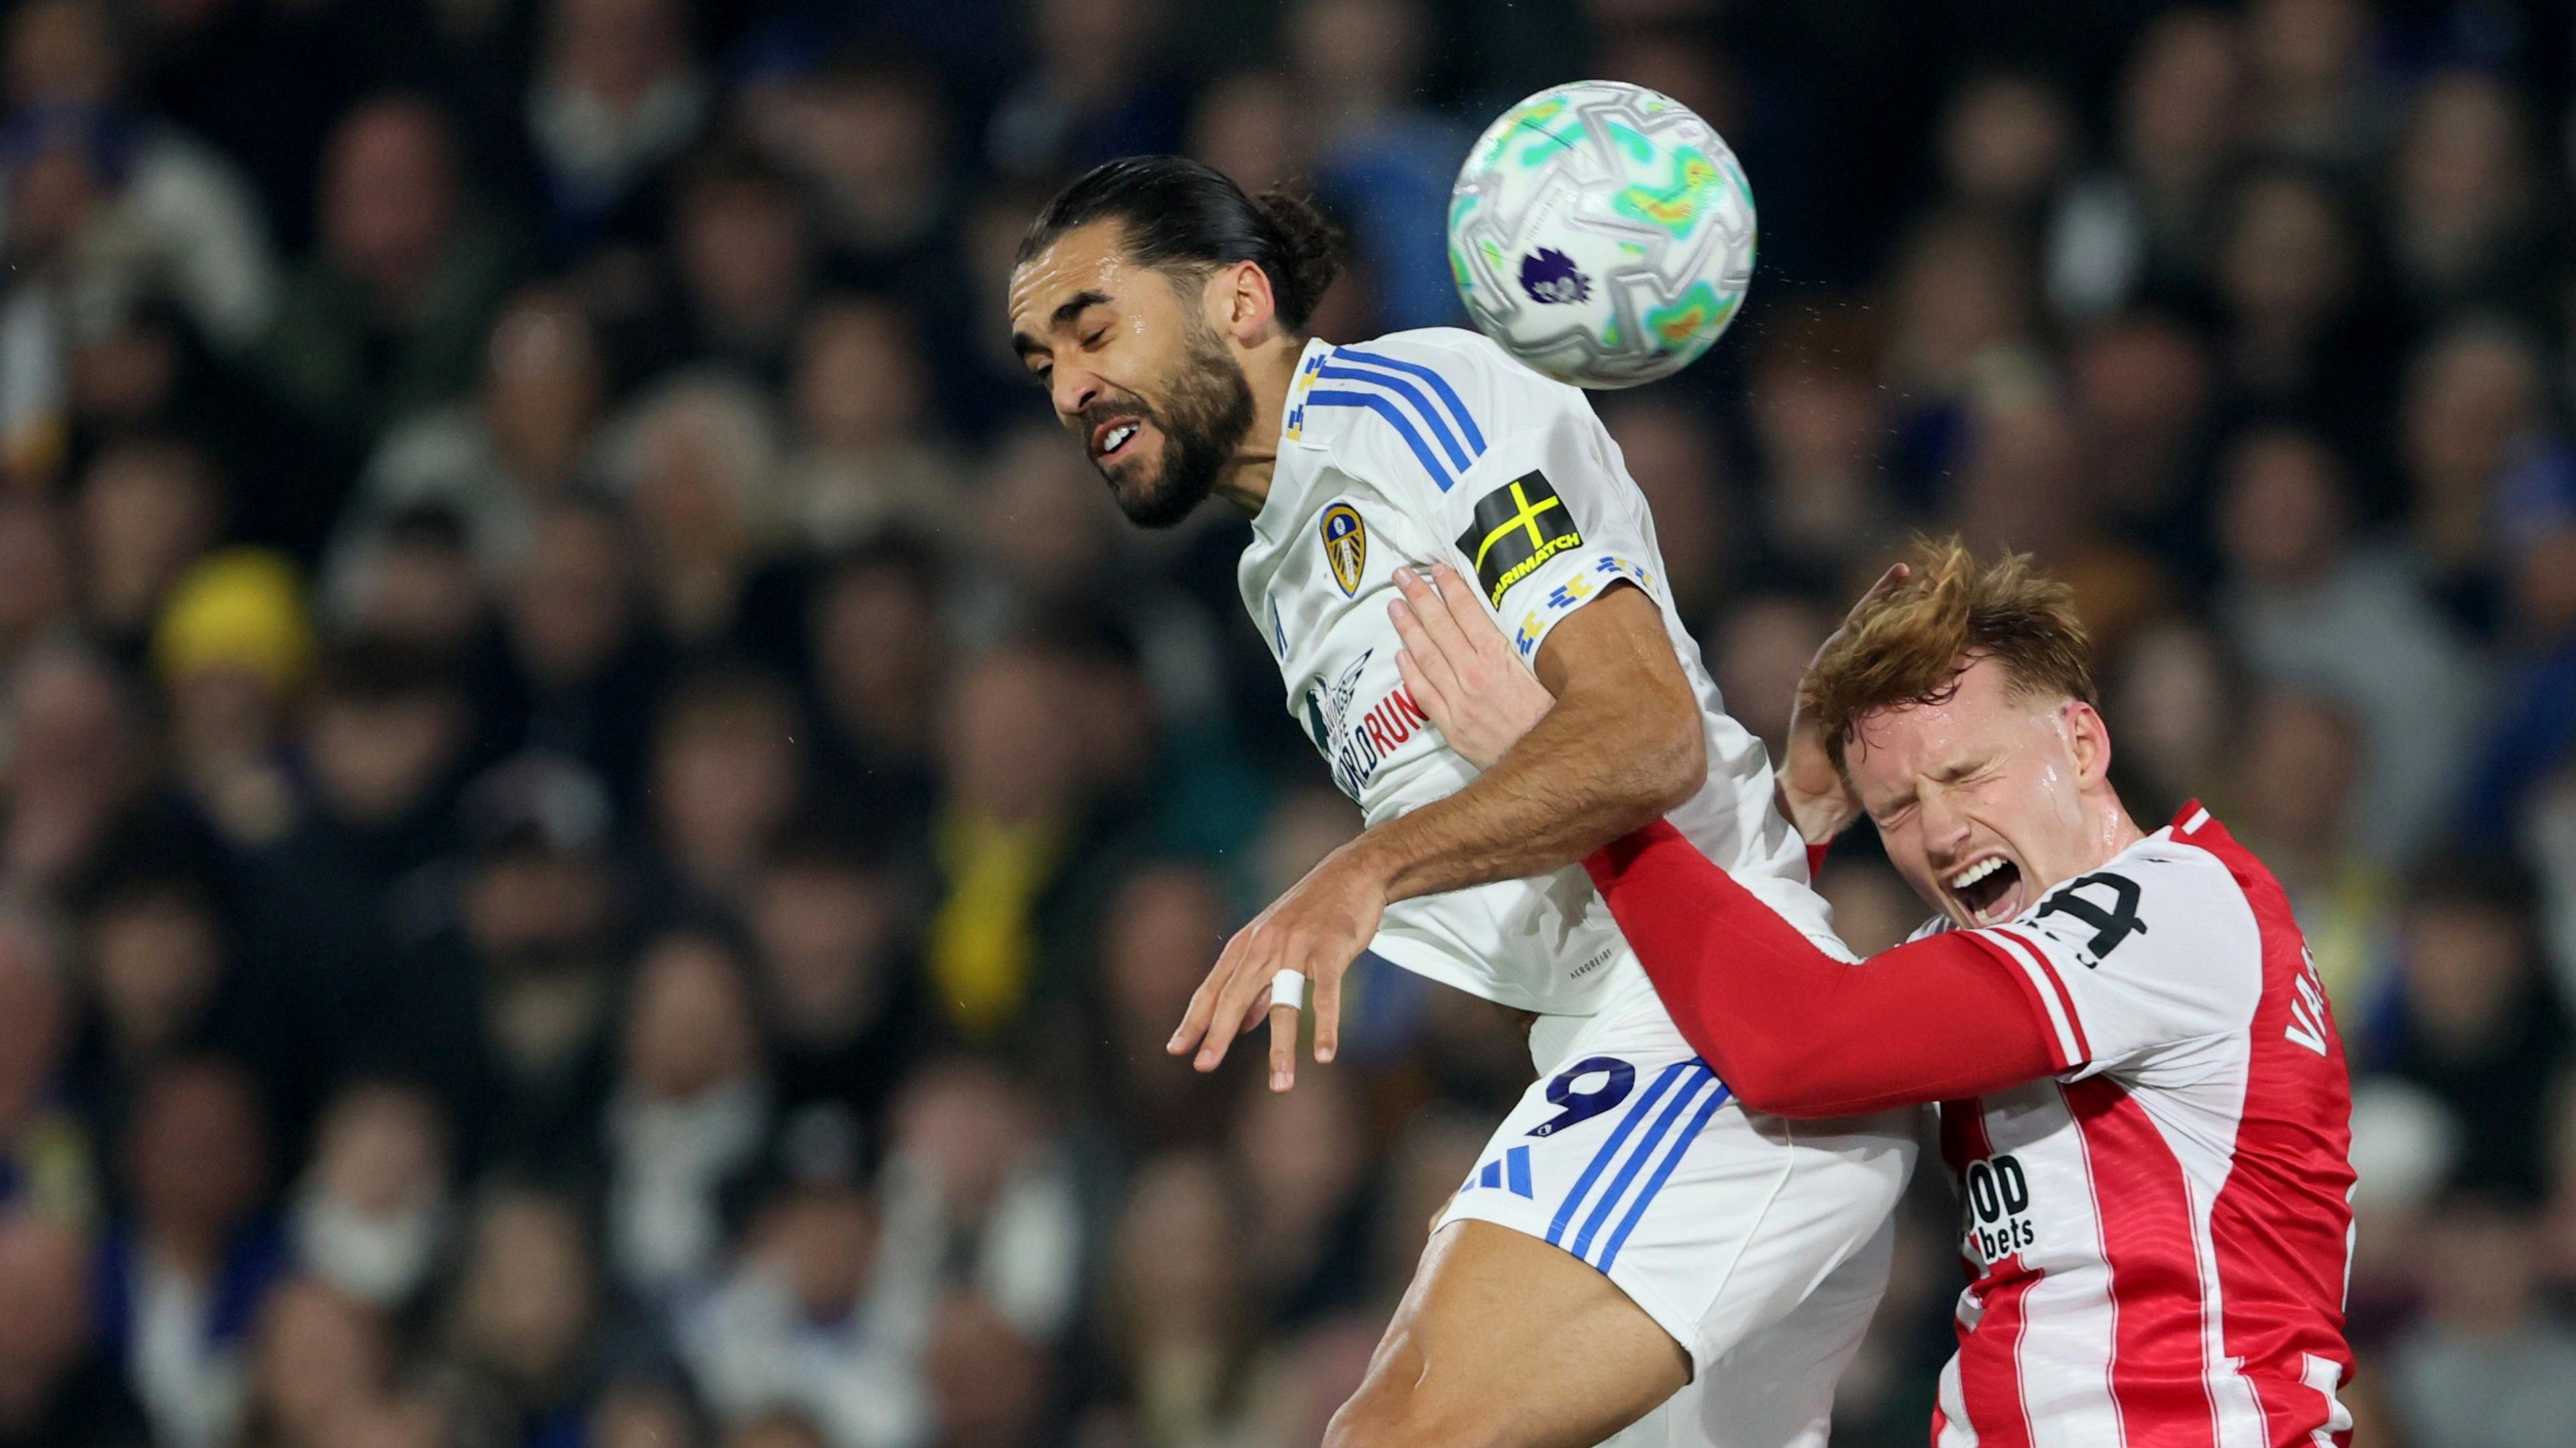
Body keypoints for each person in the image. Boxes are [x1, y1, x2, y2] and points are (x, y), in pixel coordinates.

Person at [1004, 155, 1913, 1448]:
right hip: (1625, 1045)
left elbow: (1644, 735)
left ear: (1240, 301)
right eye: (1042, 363)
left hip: (1708, 1039)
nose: (1069, 388)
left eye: (1094, 331)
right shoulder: (1275, 572)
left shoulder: (1419, 409)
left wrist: (1361, 872)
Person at [1393, 537, 2360, 1445]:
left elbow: (1799, 1046)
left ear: (2081, 746)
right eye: (1897, 807)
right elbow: (1745, 998)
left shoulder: (2171, 909)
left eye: (1968, 775)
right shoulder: (2001, 944)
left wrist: (1584, 788)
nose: (1939, 833)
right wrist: (1808, 810)